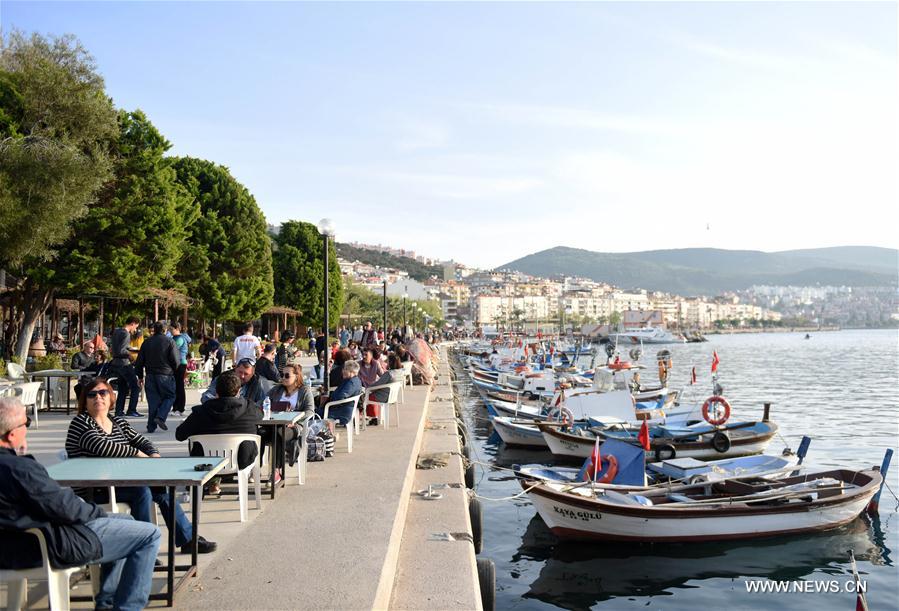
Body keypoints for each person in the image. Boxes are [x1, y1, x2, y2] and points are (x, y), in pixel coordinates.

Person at [0, 397, 162, 611]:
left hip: (11, 544)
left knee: (127, 521)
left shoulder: (14, 466)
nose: (27, 429)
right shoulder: (19, 469)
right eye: (26, 423)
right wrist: (95, 512)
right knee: (150, 534)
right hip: (46, 543)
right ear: (12, 434)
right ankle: (126, 607)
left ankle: (107, 599)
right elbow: (64, 508)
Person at [65, 378, 217, 555]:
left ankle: (187, 539)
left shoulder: (117, 423)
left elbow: (142, 441)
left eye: (102, 393)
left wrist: (153, 454)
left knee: (162, 488)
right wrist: (136, 453)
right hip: (94, 487)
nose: (97, 397)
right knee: (141, 491)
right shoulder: (81, 423)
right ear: (85, 400)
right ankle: (143, 548)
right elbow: (102, 446)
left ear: (110, 397)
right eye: (92, 395)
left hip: (121, 481)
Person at [176, 372, 263, 494]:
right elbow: (262, 417)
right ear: (239, 391)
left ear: (216, 391)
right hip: (242, 460)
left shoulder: (201, 412)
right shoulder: (250, 409)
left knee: (196, 445)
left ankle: (211, 481)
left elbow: (179, 435)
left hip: (206, 464)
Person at [134, 322, 179, 433]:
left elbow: (139, 362)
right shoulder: (170, 341)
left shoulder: (147, 342)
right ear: (165, 330)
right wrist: (174, 371)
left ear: (154, 329)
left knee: (153, 401)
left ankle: (151, 426)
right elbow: (175, 361)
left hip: (150, 375)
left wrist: (140, 376)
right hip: (165, 374)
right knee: (170, 396)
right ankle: (161, 416)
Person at [201, 358, 273, 406]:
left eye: (246, 374)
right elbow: (205, 397)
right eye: (240, 372)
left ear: (253, 374)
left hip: (245, 418)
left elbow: (263, 402)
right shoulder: (223, 378)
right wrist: (217, 401)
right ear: (235, 369)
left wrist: (245, 407)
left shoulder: (259, 382)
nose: (242, 376)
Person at [109, 316, 143, 418]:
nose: (135, 330)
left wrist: (129, 348)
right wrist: (132, 352)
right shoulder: (126, 333)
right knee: (135, 387)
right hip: (124, 363)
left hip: (116, 363)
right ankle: (131, 410)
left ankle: (119, 411)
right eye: (135, 327)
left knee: (122, 388)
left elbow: (116, 348)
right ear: (132, 323)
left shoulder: (116, 332)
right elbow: (122, 351)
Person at [315, 360, 362, 425]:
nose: (343, 371)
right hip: (340, 409)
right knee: (315, 410)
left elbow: (340, 396)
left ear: (352, 372)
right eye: (343, 369)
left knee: (314, 414)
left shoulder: (352, 383)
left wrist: (328, 399)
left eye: (345, 369)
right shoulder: (351, 380)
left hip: (341, 412)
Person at [365, 353, 405, 426]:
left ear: (391, 363)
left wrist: (367, 388)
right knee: (371, 394)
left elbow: (378, 384)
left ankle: (371, 417)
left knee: (366, 397)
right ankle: (374, 418)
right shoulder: (400, 372)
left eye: (388, 361)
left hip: (383, 396)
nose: (386, 362)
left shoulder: (389, 374)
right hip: (392, 396)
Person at [170, 322, 190, 416]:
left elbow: (172, 349)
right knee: (176, 386)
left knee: (179, 386)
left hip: (180, 364)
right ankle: (176, 407)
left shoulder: (180, 338)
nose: (170, 331)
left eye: (172, 329)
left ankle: (180, 408)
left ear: (177, 328)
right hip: (176, 364)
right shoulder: (174, 338)